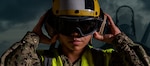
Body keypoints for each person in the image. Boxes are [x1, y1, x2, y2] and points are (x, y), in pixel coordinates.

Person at [1, 0, 150, 66]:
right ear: (53, 27)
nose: (76, 34)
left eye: (85, 26)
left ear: (97, 28)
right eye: (67, 25)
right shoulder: (39, 60)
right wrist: (32, 39)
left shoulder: (108, 60)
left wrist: (119, 40)